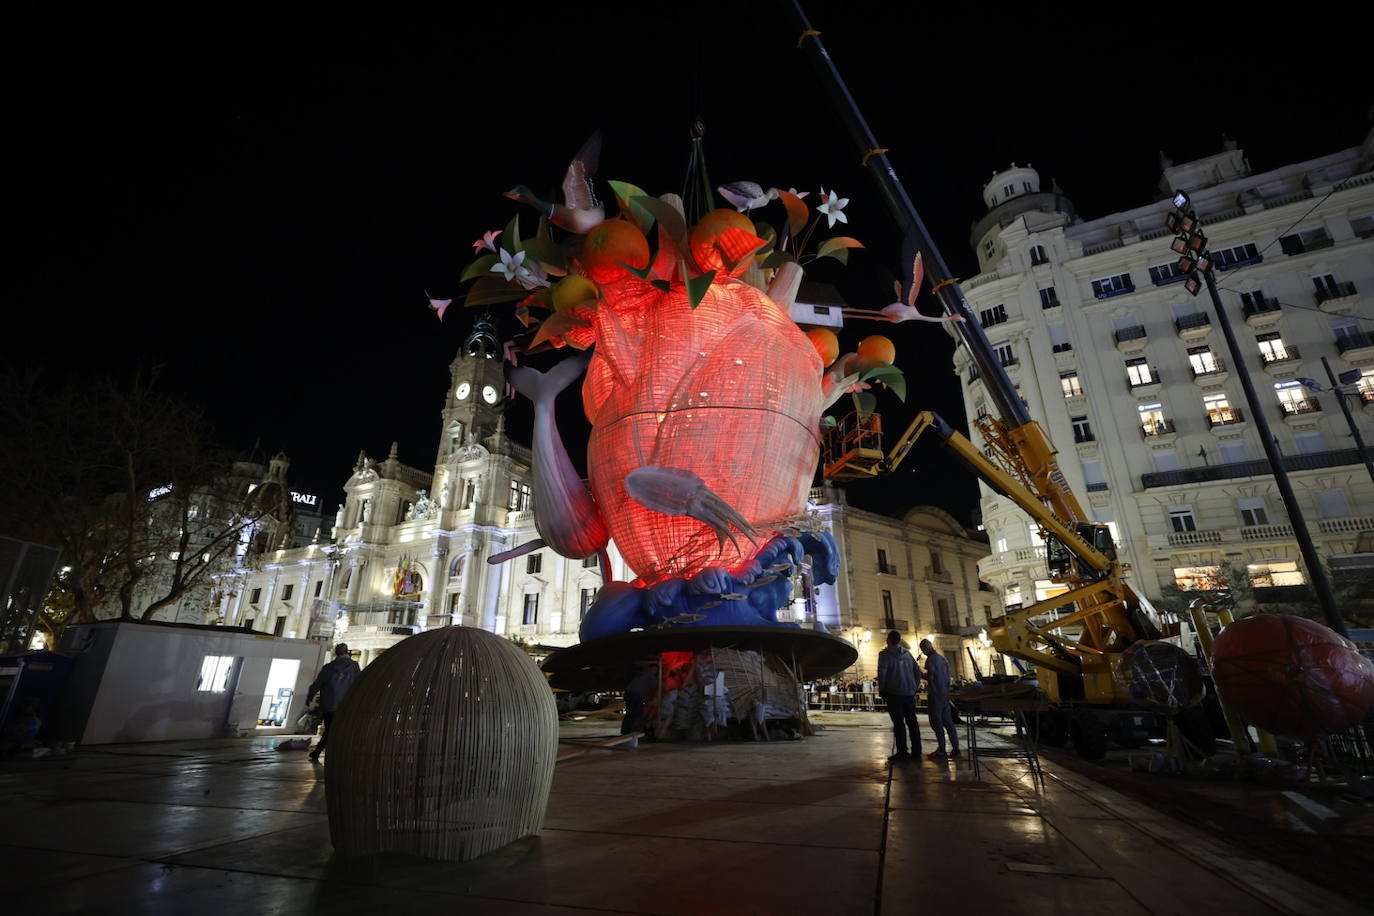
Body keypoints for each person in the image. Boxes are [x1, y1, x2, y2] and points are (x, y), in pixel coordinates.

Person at [304, 643, 361, 762]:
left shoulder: (329, 667)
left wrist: (310, 696)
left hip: (329, 704)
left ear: (336, 652)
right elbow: (359, 684)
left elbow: (317, 684)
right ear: (347, 652)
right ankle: (330, 753)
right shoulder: (354, 666)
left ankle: (319, 752)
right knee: (340, 730)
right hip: (346, 705)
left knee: (330, 729)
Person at [877, 630, 921, 760]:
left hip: (894, 693)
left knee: (898, 723)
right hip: (909, 693)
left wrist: (882, 689)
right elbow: (917, 672)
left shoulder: (884, 655)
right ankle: (917, 751)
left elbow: (882, 673)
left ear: (888, 640)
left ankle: (902, 752)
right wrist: (914, 687)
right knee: (912, 722)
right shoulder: (908, 654)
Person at [919, 639, 960, 759]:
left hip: (935, 694)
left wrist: (921, 674)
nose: (923, 652)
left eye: (923, 649)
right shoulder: (943, 659)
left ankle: (942, 749)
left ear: (925, 648)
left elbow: (930, 677)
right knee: (948, 723)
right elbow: (948, 675)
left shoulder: (930, 660)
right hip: (945, 694)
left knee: (936, 723)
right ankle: (955, 748)